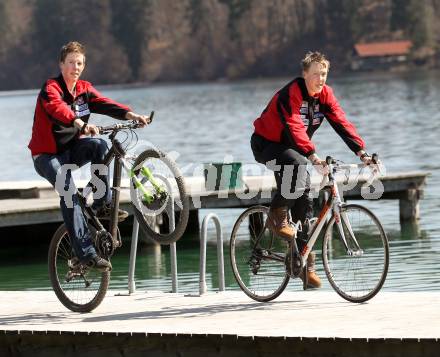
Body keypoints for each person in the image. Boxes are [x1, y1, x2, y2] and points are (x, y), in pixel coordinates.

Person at [251, 51, 374, 288]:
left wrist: (361, 152)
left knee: (305, 199)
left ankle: (303, 265)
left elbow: (340, 121)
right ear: (304, 74)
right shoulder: (292, 93)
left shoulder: (325, 95)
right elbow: (294, 126)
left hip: (295, 149)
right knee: (298, 167)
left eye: (324, 74)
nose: (321, 79)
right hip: (267, 144)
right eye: (316, 74)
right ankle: (277, 217)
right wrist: (312, 155)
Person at [28, 41, 149, 271]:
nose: (76, 67)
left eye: (80, 63)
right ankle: (86, 254)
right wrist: (78, 122)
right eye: (71, 62)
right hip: (46, 157)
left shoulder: (84, 89)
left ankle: (102, 204)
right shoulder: (50, 88)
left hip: (71, 151)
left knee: (99, 146)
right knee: (69, 193)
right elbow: (57, 108)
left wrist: (131, 114)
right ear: (62, 64)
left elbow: (105, 104)